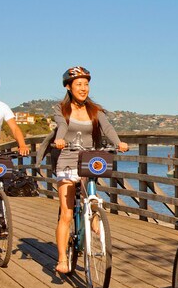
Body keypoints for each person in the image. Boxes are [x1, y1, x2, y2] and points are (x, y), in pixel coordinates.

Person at [43, 66, 128, 275]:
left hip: (88, 160)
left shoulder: (94, 110)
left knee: (91, 197)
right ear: (69, 87)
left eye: (86, 84)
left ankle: (97, 229)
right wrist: (60, 140)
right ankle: (63, 258)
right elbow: (62, 126)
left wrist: (118, 142)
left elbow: (107, 128)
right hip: (67, 159)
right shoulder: (61, 109)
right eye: (79, 84)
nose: (83, 88)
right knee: (67, 212)